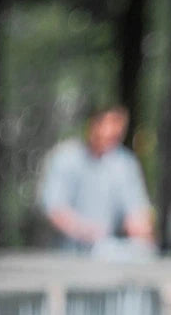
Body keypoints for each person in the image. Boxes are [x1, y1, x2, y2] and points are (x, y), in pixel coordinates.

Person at [38, 103, 155, 253]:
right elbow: (54, 209)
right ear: (92, 125)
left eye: (118, 132)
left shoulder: (125, 164)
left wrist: (142, 230)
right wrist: (87, 232)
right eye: (109, 127)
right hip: (66, 256)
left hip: (105, 257)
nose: (114, 134)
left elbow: (136, 212)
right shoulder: (65, 158)